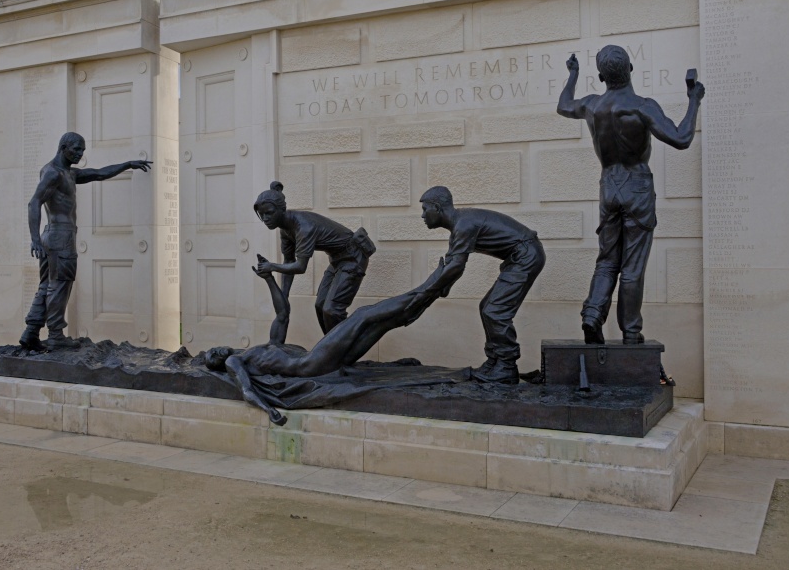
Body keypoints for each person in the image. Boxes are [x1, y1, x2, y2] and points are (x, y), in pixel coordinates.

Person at [556, 45, 704, 344]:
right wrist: (693, 101)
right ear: (631, 70)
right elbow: (681, 138)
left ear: (600, 76)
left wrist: (572, 75)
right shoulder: (642, 107)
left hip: (609, 186)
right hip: (637, 186)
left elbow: (563, 105)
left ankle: (592, 314)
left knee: (607, 260)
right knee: (632, 265)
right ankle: (631, 333)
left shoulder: (592, 106)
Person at [208, 255, 442, 425]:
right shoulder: (235, 362)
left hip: (322, 361)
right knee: (363, 315)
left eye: (212, 349)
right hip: (312, 363)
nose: (216, 351)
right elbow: (247, 391)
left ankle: (431, 295)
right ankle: (429, 287)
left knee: (381, 325)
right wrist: (269, 410)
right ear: (220, 366)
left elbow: (282, 314)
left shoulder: (263, 350)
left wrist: (269, 278)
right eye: (213, 358)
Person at [20, 133, 152, 350]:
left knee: (46, 285)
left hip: (52, 236)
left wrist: (128, 164)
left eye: (82, 150)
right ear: (63, 147)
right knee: (60, 285)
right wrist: (33, 239)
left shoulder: (66, 173)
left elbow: (98, 174)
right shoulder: (53, 173)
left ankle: (31, 331)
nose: (80, 154)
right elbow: (34, 202)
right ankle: (55, 335)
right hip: (60, 237)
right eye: (77, 150)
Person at [404, 186, 545, 385]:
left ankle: (506, 366)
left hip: (526, 256)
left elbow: (455, 267)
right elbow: (454, 267)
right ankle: (495, 361)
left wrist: (427, 293)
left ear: (437, 207)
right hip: (520, 257)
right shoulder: (459, 227)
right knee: (487, 308)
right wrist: (441, 289)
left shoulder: (463, 225)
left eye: (425, 209)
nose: (423, 215)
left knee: (495, 310)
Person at [252, 181, 376, 335]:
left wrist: (271, 267)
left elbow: (300, 267)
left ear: (281, 209)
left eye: (269, 213)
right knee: (320, 305)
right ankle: (331, 349)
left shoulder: (303, 227)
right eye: (262, 214)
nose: (265, 218)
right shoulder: (285, 231)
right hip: (337, 260)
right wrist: (284, 296)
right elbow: (289, 261)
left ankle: (344, 350)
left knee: (332, 310)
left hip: (353, 257)